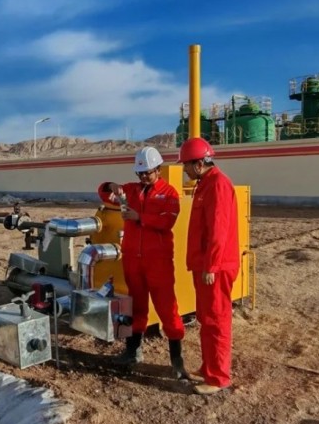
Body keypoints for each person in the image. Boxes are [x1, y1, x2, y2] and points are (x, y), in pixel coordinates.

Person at [97, 147, 187, 378]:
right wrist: (111, 186)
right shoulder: (131, 190)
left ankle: (177, 361)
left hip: (158, 261)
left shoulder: (169, 193)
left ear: (158, 169)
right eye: (140, 173)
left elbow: (167, 222)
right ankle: (133, 351)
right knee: (136, 307)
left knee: (168, 308)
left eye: (147, 172)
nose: (144, 177)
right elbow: (104, 194)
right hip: (133, 260)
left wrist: (140, 218)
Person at [178, 137, 240, 395]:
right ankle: (209, 367)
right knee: (206, 318)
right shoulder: (206, 184)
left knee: (216, 320)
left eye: (186, 165)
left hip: (215, 267)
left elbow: (219, 231)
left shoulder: (218, 185)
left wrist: (211, 267)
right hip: (205, 265)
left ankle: (218, 378)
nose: (183, 170)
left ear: (199, 163)